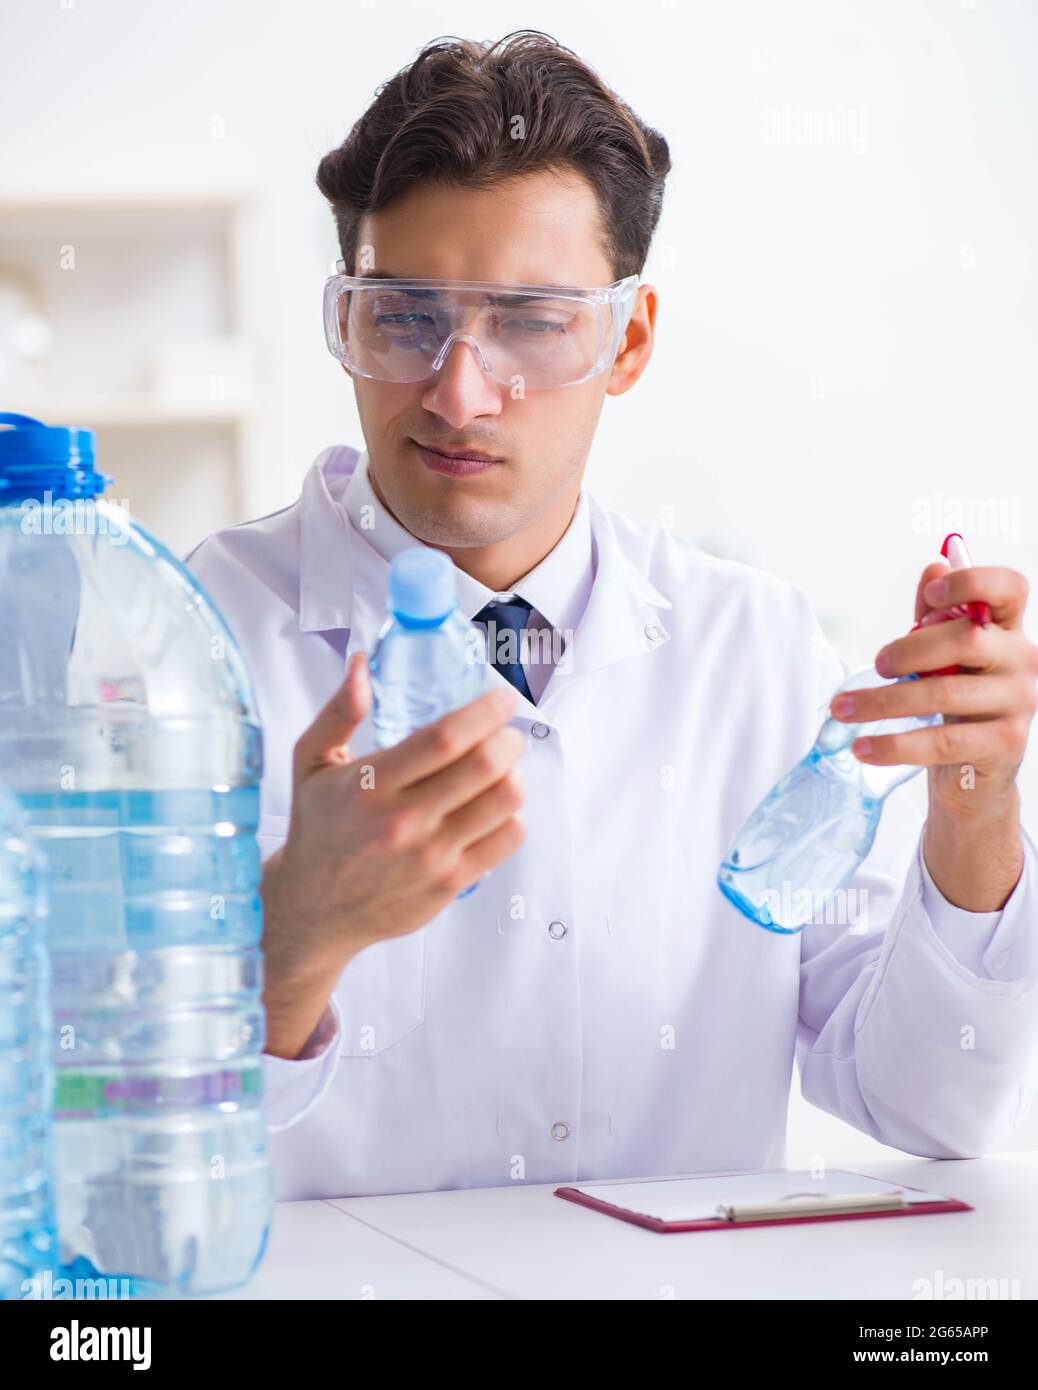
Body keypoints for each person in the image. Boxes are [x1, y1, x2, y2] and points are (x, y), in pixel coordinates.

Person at [186, 31, 1038, 1202]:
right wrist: (292, 950)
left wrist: (975, 802)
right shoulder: (185, 647)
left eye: (533, 320)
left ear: (626, 339)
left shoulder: (755, 649)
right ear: (346, 320)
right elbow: (94, 1169)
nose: (458, 390)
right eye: (404, 315)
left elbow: (927, 1103)